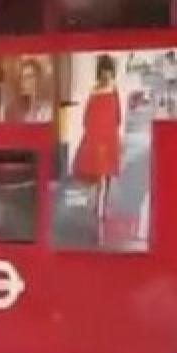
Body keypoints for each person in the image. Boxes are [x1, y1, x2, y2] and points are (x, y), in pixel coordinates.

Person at [72, 54, 122, 244]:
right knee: (97, 172)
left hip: (108, 135)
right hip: (97, 135)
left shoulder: (113, 90)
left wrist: (112, 132)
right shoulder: (94, 91)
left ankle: (103, 205)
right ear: (99, 72)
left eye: (108, 70)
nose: (106, 74)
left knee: (106, 173)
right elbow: (87, 115)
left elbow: (117, 115)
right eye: (103, 70)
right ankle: (96, 205)